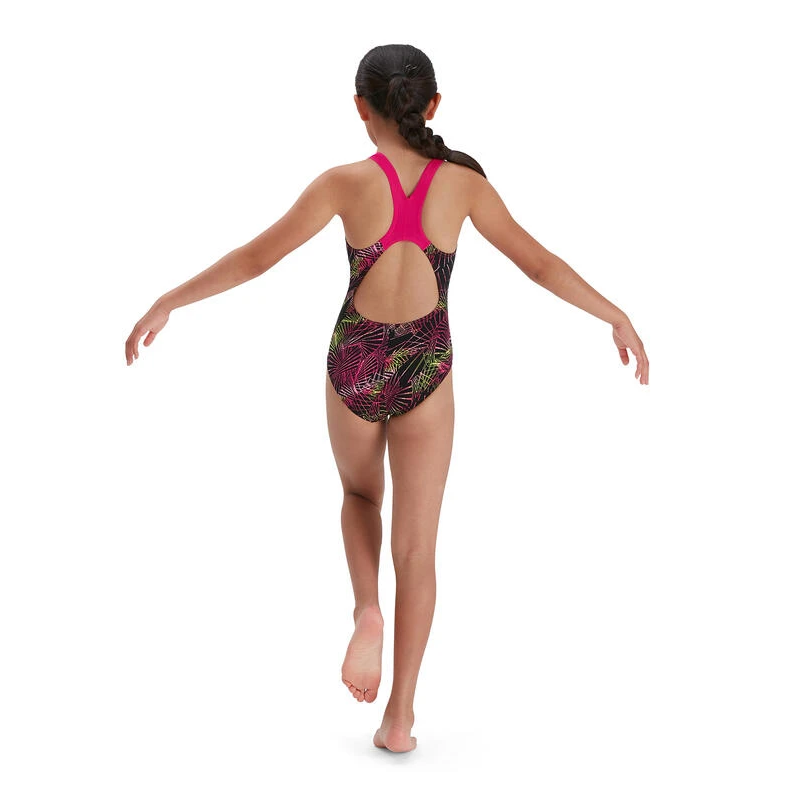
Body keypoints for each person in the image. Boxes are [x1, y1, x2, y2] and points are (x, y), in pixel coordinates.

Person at [125, 43, 649, 754]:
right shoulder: (463, 186)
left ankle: (366, 608)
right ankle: (399, 719)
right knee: (419, 549)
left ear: (360, 108)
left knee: (359, 497)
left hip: (355, 362)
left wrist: (169, 300)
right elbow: (538, 263)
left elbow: (256, 258)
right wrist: (614, 314)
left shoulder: (344, 183)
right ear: (432, 105)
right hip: (426, 365)